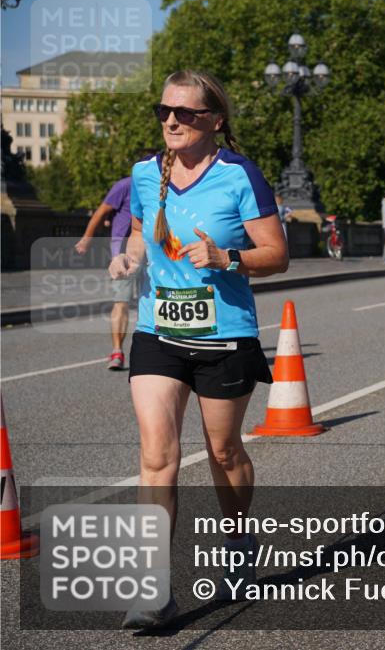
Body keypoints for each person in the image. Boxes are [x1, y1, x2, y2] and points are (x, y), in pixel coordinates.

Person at [109, 70, 288, 628]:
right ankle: (153, 589)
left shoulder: (239, 175)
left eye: (185, 113)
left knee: (224, 452)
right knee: (156, 456)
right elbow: (140, 232)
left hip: (224, 336)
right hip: (158, 332)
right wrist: (130, 257)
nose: (171, 121)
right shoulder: (146, 173)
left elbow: (277, 254)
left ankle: (238, 544)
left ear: (214, 120)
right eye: (164, 111)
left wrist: (227, 258)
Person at [76, 175, 136, 370]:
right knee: (121, 302)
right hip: (123, 254)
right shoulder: (124, 185)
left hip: (152, 252)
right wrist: (86, 239)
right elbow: (101, 212)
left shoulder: (161, 184)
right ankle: (117, 351)